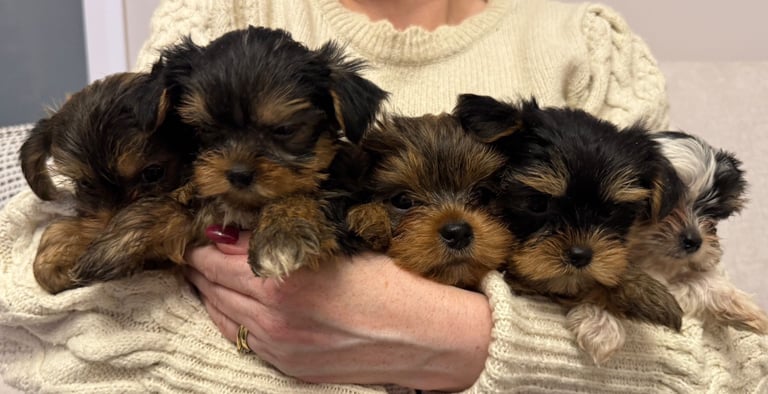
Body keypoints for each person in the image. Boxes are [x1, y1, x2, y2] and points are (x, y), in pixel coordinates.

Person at [0, 0, 765, 393]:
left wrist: (469, 343)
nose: (238, 167)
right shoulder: (210, 19)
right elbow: (55, 288)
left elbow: (724, 366)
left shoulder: (588, 45)